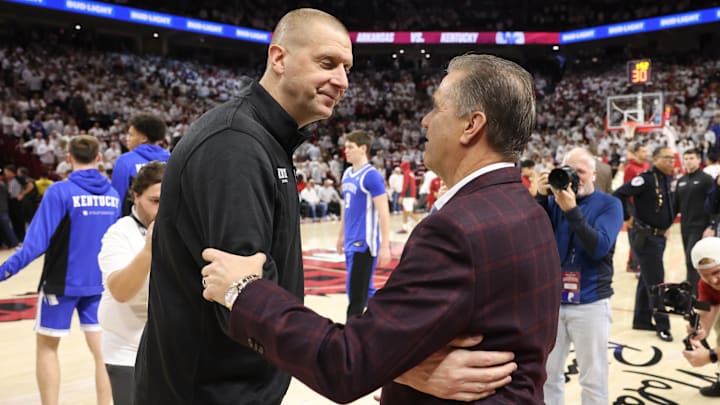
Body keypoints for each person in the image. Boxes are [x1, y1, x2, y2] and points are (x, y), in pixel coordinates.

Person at [134, 10, 512, 405]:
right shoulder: (236, 147)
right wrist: (391, 364)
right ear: (278, 58)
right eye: (327, 63)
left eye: (347, 68)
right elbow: (240, 301)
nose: (342, 81)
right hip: (206, 392)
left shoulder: (265, 139)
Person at [200, 53, 561, 404]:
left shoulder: (455, 231)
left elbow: (345, 364)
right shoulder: (529, 211)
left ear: (472, 125)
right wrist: (402, 366)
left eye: (436, 107)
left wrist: (243, 290)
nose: (425, 120)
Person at [0, 135, 119, 405]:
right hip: (99, 285)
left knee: (47, 348)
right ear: (99, 158)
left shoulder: (59, 191)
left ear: (68, 159)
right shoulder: (112, 195)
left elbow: (35, 244)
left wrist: (4, 271)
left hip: (61, 283)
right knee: (103, 354)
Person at [536, 148, 623, 405]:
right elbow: (532, 238)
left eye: (581, 172)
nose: (575, 178)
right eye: (569, 171)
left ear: (594, 174)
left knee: (593, 378)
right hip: (553, 303)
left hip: (591, 303)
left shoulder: (610, 204)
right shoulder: (551, 202)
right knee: (548, 376)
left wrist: (572, 211)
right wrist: (540, 199)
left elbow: (598, 248)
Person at [97, 161, 164, 405]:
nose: (163, 209)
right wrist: (148, 250)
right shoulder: (119, 233)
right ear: (136, 196)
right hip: (127, 350)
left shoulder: (182, 228)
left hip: (171, 348)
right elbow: (121, 291)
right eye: (155, 201)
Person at [614, 146, 676, 342]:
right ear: (655, 159)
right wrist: (627, 217)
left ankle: (641, 319)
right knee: (657, 282)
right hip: (645, 237)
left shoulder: (666, 179)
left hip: (658, 237)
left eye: (673, 159)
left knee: (647, 279)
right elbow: (619, 193)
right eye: (667, 158)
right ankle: (662, 325)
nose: (671, 162)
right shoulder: (647, 178)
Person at [336, 129, 391, 316]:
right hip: (350, 243)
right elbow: (346, 208)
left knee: (356, 297)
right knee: (365, 292)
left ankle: (350, 337)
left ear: (363, 148)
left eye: (350, 147)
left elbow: (384, 212)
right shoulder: (346, 174)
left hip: (364, 244)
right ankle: (391, 318)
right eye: (345, 147)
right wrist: (340, 236)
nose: (346, 151)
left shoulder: (371, 176)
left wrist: (385, 246)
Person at [681, 237, 720, 397]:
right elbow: (708, 313)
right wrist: (699, 329)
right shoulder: (706, 284)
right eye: (705, 275)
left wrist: (711, 356)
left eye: (717, 272)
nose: (713, 280)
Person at [111, 113, 169, 216]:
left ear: (143, 138)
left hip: (135, 223)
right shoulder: (172, 159)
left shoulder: (125, 161)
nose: (127, 138)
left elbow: (117, 199)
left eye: (131, 135)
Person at [673, 148, 714, 294]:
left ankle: (693, 294)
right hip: (685, 226)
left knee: (693, 260)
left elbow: (714, 203)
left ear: (698, 160)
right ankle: (693, 290)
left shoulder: (706, 180)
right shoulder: (681, 181)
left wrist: (712, 225)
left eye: (691, 158)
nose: (688, 161)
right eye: (686, 158)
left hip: (701, 226)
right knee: (688, 259)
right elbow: (675, 206)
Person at [623, 143, 650, 273]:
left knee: (643, 235)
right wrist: (629, 212)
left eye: (646, 151)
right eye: (643, 151)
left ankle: (636, 262)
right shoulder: (630, 168)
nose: (646, 154)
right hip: (633, 207)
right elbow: (626, 191)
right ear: (636, 153)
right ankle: (634, 264)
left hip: (645, 206)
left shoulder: (647, 166)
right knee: (635, 236)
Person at [397, 160, 421, 233]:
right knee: (405, 211)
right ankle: (404, 227)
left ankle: (421, 223)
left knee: (408, 212)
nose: (401, 169)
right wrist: (414, 197)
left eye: (401, 167)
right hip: (410, 195)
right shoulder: (411, 173)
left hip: (407, 196)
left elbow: (405, 185)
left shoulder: (406, 173)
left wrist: (401, 195)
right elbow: (413, 186)